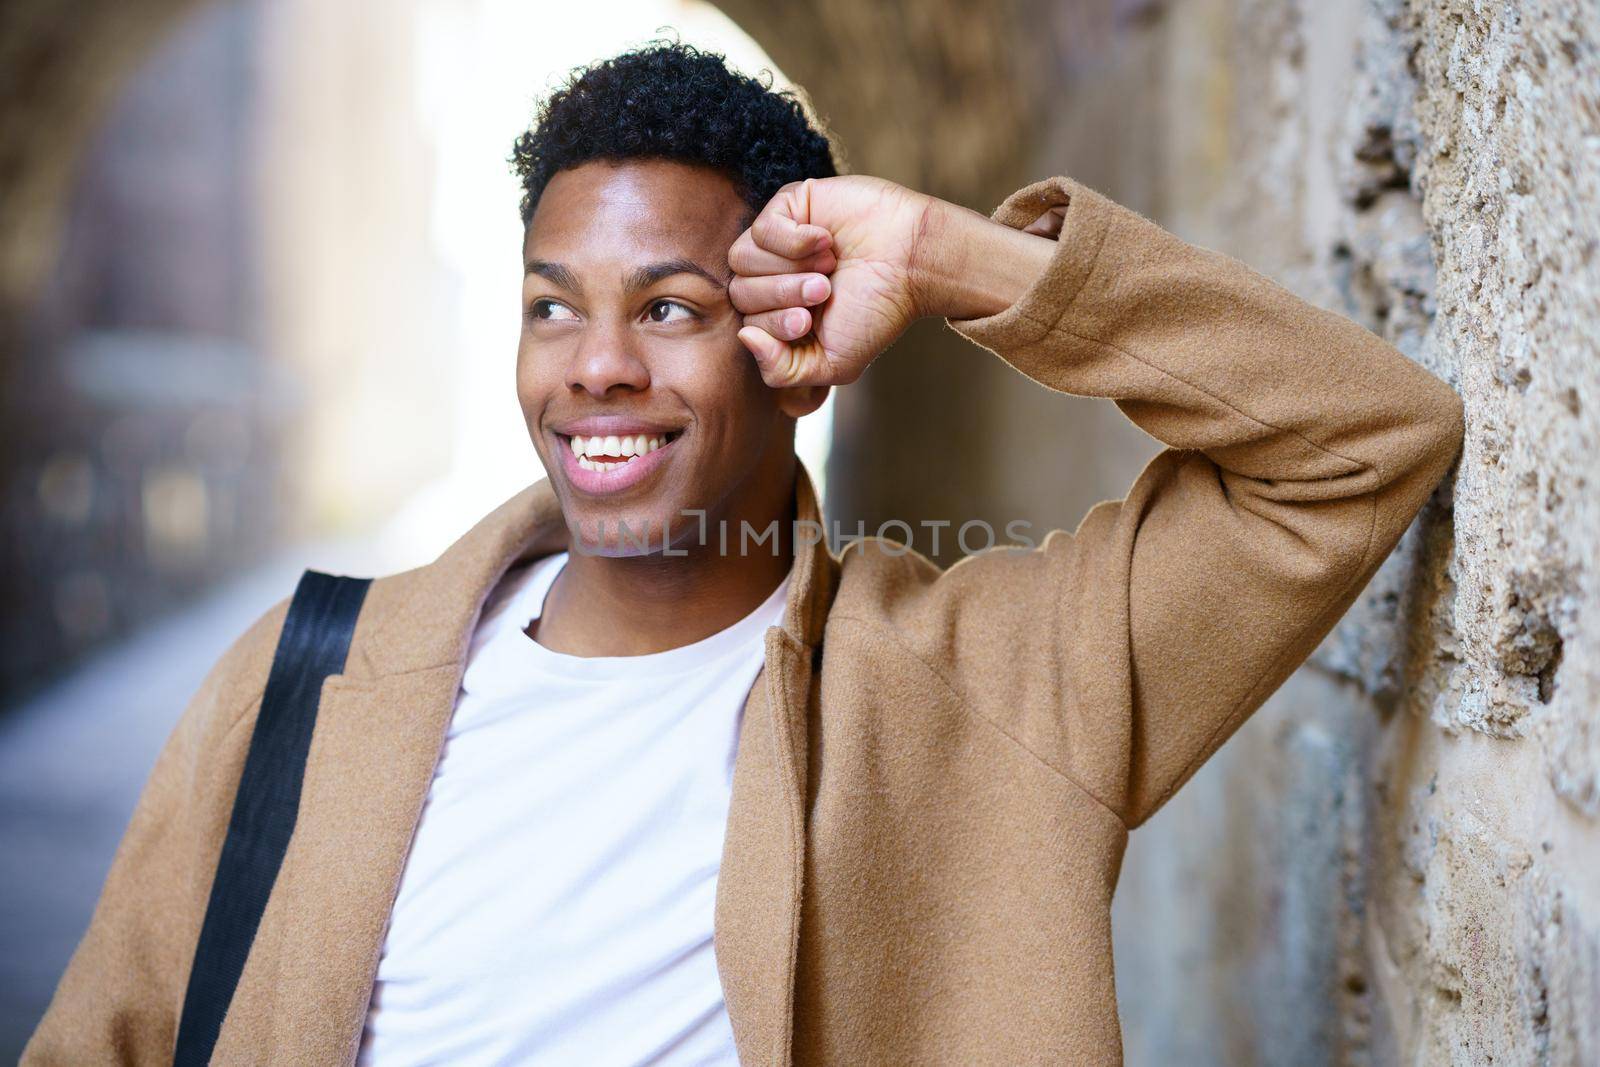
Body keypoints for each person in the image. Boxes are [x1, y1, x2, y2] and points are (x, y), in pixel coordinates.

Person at [24, 40, 1463, 1066]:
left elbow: (1354, 445)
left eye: (668, 310)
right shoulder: (307, 683)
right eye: (551, 306)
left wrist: (955, 256)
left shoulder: (997, 691)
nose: (592, 367)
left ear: (796, 346)